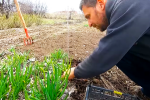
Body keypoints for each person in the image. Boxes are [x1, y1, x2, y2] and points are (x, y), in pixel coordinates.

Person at [64, 0, 150, 98]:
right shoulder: (120, 11)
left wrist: (75, 72)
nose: (89, 24)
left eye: (89, 16)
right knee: (120, 54)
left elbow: (107, 51)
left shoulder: (127, 5)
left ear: (100, 4)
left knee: (113, 50)